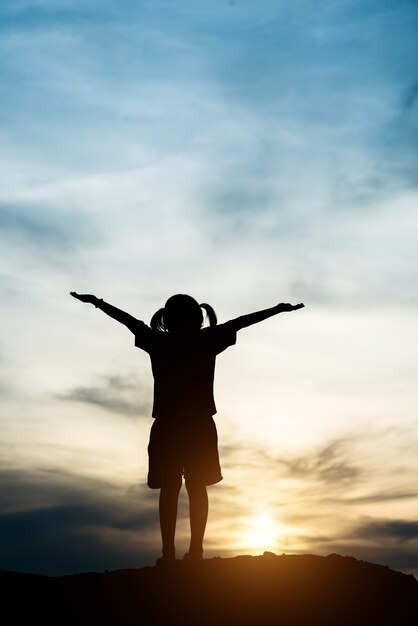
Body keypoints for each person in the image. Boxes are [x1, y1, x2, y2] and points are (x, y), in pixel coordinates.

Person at [70, 291, 304, 564]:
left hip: (172, 426)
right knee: (195, 487)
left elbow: (128, 321)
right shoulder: (204, 340)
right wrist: (277, 309)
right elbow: (241, 322)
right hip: (196, 426)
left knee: (174, 489)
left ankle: (173, 553)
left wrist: (98, 302)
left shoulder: (161, 341)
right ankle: (193, 553)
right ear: (197, 318)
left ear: (168, 319)